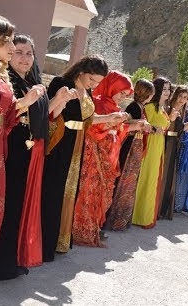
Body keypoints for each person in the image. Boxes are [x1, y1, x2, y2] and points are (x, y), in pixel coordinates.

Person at [0, 34, 73, 280]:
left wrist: (57, 101)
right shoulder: (7, 82)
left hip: (27, 152)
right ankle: (0, 264)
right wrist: (29, 102)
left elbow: (39, 118)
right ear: (8, 53)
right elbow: (8, 114)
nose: (25, 58)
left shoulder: (29, 82)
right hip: (10, 149)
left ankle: (9, 259)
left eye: (29, 53)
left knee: (17, 207)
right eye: (19, 52)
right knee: (8, 207)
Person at [0, 14, 44, 298]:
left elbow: (6, 117)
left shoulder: (0, 75)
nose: (11, 46)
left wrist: (26, 102)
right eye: (7, 41)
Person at [41, 55, 114, 261]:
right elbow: (49, 114)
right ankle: (45, 242)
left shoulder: (87, 91)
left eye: (97, 83)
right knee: (54, 190)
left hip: (78, 144)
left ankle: (60, 240)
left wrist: (108, 118)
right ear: (81, 71)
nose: (93, 85)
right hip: (61, 144)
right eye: (92, 80)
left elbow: (86, 120)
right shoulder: (60, 83)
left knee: (70, 192)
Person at [72, 71, 144, 247]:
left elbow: (118, 131)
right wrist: (110, 123)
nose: (122, 97)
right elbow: (91, 128)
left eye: (125, 95)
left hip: (110, 154)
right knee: (90, 190)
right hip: (95, 153)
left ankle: (95, 227)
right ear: (112, 87)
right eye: (121, 93)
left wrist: (132, 126)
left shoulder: (115, 107)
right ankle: (82, 230)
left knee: (103, 193)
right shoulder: (96, 103)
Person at [106, 79, 153, 230]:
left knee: (130, 181)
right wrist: (140, 124)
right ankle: (115, 219)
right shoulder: (134, 106)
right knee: (124, 179)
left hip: (135, 146)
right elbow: (126, 124)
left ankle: (121, 218)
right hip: (130, 146)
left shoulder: (139, 106)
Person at [132, 77, 171, 229]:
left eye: (169, 89)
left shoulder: (162, 108)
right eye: (165, 89)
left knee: (153, 179)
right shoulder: (150, 107)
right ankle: (138, 214)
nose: (167, 92)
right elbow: (145, 125)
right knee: (146, 177)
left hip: (158, 146)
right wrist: (156, 128)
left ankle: (145, 215)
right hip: (150, 145)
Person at [159, 86, 188, 219]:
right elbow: (164, 125)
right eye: (180, 96)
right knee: (162, 174)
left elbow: (182, 129)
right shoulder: (167, 107)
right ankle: (158, 207)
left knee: (169, 175)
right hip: (165, 141)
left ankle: (164, 208)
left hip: (174, 144)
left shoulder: (183, 112)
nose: (182, 100)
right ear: (175, 95)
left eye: (185, 98)